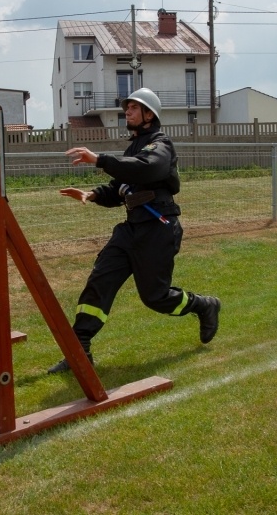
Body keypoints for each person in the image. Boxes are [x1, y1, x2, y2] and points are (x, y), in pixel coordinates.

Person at [48, 88, 221, 374]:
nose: (126, 112)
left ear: (149, 114)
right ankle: (79, 352)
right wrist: (92, 194)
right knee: (99, 282)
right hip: (130, 230)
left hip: (158, 229)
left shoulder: (160, 145)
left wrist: (100, 159)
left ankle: (203, 305)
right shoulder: (134, 149)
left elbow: (147, 170)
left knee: (156, 297)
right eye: (126, 107)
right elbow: (120, 188)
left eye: (132, 108)